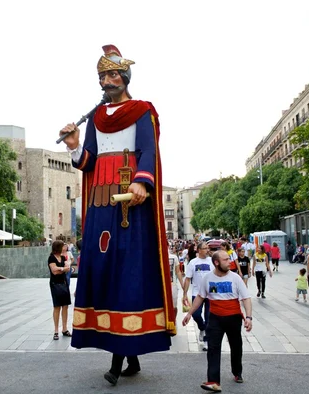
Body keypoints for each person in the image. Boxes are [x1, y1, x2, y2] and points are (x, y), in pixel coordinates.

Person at [59, 44, 174, 386]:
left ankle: (116, 362)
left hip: (129, 201)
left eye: (111, 75)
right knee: (106, 270)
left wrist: (143, 182)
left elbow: (148, 151)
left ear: (124, 78)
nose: (106, 81)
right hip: (99, 203)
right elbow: (87, 162)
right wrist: (74, 145)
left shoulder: (142, 111)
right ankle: (130, 355)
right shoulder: (95, 118)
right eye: (102, 76)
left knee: (127, 272)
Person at [182, 250, 253, 393]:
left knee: (236, 346)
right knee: (213, 349)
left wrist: (249, 317)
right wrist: (189, 313)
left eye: (229, 259)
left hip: (233, 317)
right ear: (216, 262)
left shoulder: (235, 278)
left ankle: (237, 371)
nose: (230, 262)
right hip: (214, 318)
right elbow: (201, 297)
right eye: (226, 260)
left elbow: (246, 298)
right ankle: (214, 381)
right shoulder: (207, 278)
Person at [183, 243, 214, 350]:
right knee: (196, 315)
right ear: (199, 250)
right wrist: (184, 294)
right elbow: (187, 279)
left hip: (210, 293)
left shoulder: (212, 261)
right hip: (197, 293)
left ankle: (206, 340)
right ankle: (202, 328)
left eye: (207, 248)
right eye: (205, 248)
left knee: (208, 317)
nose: (207, 250)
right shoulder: (193, 263)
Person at [48, 240, 72, 340]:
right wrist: (62, 269)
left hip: (64, 283)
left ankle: (65, 328)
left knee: (65, 306)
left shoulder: (62, 257)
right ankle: (56, 330)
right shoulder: (51, 257)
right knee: (57, 307)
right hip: (55, 284)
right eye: (63, 246)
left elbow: (68, 267)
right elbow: (54, 271)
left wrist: (61, 268)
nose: (64, 248)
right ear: (58, 247)